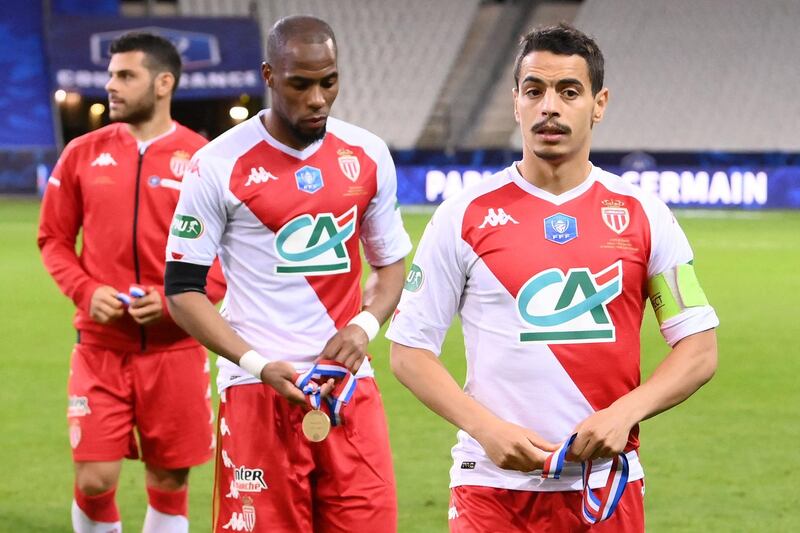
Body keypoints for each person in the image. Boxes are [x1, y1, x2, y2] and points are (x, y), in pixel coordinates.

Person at [386, 23, 719, 532]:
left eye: (569, 92)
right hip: (491, 488)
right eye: (535, 90)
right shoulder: (462, 216)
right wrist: (485, 428)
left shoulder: (644, 214)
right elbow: (408, 351)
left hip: (605, 487)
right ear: (515, 101)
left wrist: (627, 411)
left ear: (598, 103)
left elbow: (698, 346)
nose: (550, 107)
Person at [164, 15, 411, 533]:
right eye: (301, 83)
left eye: (329, 81)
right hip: (257, 390)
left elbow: (390, 264)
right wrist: (255, 363)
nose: (318, 98)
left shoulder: (367, 155)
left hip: (346, 387)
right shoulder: (217, 164)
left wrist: (364, 327)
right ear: (270, 77)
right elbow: (183, 291)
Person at [38, 32, 226, 533]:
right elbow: (53, 240)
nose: (111, 86)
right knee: (96, 478)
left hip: (175, 351)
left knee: (168, 480)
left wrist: (173, 303)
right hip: (100, 349)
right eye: (111, 75)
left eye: (125, 76)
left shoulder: (204, 159)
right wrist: (86, 290)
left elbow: (223, 265)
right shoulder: (82, 152)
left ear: (163, 83)